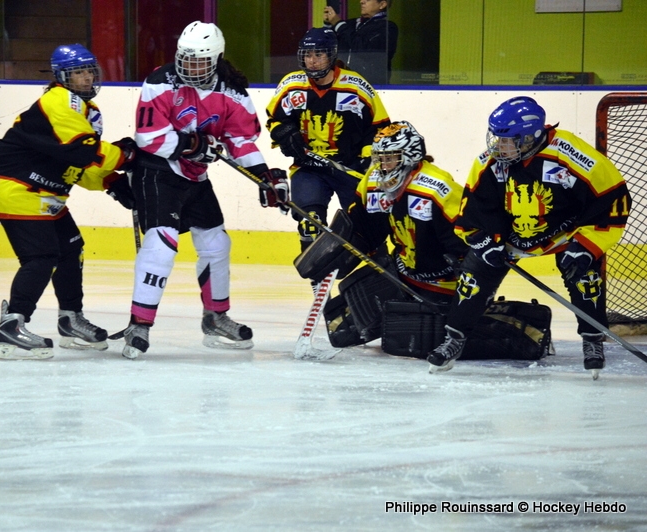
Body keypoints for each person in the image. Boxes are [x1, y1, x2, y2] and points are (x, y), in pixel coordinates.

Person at [427, 96, 631, 378]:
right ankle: (455, 338)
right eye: (497, 138)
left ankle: (593, 340)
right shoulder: (491, 163)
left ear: (531, 137)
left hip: (564, 233)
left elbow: (613, 200)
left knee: (585, 277)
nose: (499, 146)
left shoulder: (572, 155)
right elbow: (472, 211)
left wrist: (585, 246)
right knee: (473, 276)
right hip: (510, 237)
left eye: (508, 140)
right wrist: (485, 243)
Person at [121, 21, 289, 359]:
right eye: (185, 58)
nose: (189, 67)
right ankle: (139, 324)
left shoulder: (233, 92)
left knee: (216, 242)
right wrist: (193, 144)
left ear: (216, 59)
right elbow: (149, 138)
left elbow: (239, 140)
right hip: (156, 171)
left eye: (198, 61)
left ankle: (215, 317)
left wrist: (264, 175)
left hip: (194, 177)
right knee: (162, 243)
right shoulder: (160, 81)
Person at [0, 44, 137, 360]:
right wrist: (125, 155)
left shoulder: (85, 111)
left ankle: (70, 319)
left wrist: (113, 182)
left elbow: (78, 166)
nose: (86, 78)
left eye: (89, 70)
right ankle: (12, 327)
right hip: (19, 188)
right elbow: (84, 151)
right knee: (42, 257)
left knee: (70, 249)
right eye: (78, 72)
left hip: (43, 192)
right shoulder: (58, 101)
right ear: (61, 77)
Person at [294, 121, 467, 346]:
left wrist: (467, 276)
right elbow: (363, 226)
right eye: (380, 158)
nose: (384, 166)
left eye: (390, 158)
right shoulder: (374, 180)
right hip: (402, 273)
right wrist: (340, 248)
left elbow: (466, 237)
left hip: (442, 283)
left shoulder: (436, 188)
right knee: (343, 331)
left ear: (410, 155)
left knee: (412, 342)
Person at [266, 26, 390, 254]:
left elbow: (379, 128)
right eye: (307, 55)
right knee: (309, 224)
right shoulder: (291, 85)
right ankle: (317, 279)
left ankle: (380, 278)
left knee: (368, 230)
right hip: (308, 167)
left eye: (318, 55)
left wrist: (367, 158)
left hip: (349, 167)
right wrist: (283, 132)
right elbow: (274, 119)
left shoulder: (356, 87)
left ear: (331, 55)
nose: (311, 61)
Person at [323, 0, 398, 85]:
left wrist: (338, 23)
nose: (361, 1)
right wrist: (328, 24)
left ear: (382, 4)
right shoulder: (350, 24)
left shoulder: (388, 28)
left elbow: (364, 50)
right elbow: (326, 46)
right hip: (342, 84)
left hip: (371, 87)